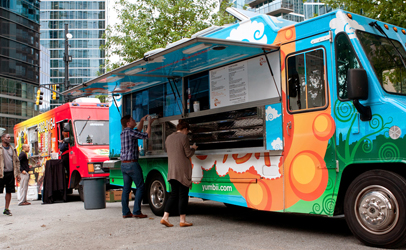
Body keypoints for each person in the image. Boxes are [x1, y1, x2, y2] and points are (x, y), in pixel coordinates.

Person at [160, 120, 198, 227]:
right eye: (187, 131)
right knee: (183, 196)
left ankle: (165, 217)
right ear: (185, 129)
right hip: (182, 172)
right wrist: (193, 148)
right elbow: (188, 153)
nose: (187, 133)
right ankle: (182, 220)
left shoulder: (168, 138)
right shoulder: (183, 137)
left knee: (174, 195)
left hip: (172, 171)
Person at [120, 114, 155, 218]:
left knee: (126, 189)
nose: (134, 120)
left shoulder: (124, 133)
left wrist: (141, 120)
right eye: (132, 119)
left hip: (124, 164)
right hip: (132, 164)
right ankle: (136, 211)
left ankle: (125, 213)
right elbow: (147, 135)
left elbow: (137, 131)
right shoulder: (131, 132)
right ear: (128, 123)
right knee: (140, 187)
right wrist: (149, 123)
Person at [0, 133, 21, 216]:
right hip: (1, 174)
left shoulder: (12, 149)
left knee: (9, 191)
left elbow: (17, 161)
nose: (9, 138)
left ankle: (6, 209)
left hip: (10, 173)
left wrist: (18, 174)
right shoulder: (0, 148)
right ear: (2, 138)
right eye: (7, 137)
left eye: (9, 137)